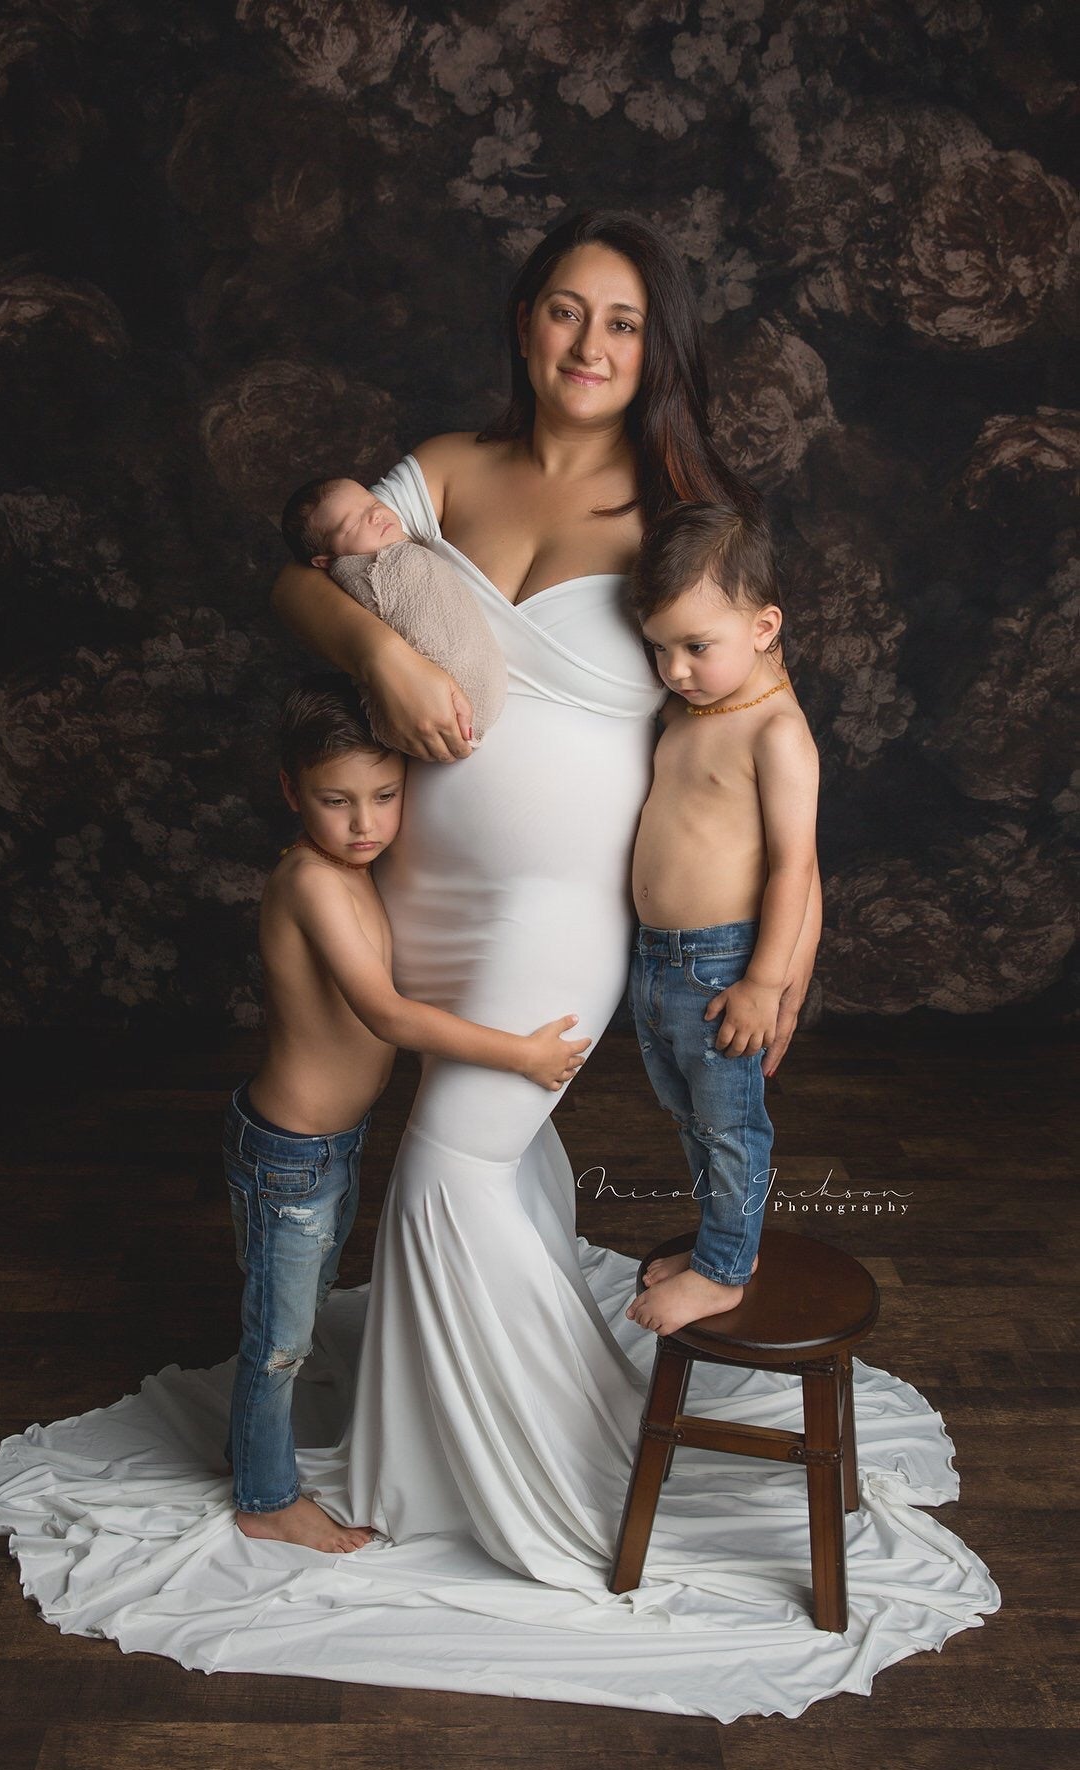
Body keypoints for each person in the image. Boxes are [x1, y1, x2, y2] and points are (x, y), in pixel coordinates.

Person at [271, 210, 822, 1589]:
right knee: (481, 1168)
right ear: (525, 322)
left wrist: (780, 954)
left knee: (445, 1175)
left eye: (623, 322)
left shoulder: (678, 512)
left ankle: (534, 1484)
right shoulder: (446, 467)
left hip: (555, 913)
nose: (590, 343)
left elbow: (768, 719)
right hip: (412, 889)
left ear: (655, 350)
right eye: (567, 309)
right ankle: (464, 1435)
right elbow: (300, 575)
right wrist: (380, 660)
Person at [225, 672, 589, 1552]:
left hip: (334, 1143)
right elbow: (385, 1013)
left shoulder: (360, 864)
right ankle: (265, 1495)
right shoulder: (312, 882)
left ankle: (260, 1437)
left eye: (385, 796)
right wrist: (518, 1053)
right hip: (291, 1151)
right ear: (291, 792)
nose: (365, 823)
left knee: (299, 1306)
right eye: (337, 801)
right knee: (278, 1334)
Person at [622, 503, 820, 1336]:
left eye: (696, 647)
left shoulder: (776, 730)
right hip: (656, 958)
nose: (674, 669)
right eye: (658, 647)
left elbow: (793, 865)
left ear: (764, 627)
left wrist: (765, 983)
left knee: (732, 1126)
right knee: (690, 1117)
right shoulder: (687, 709)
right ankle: (723, 1245)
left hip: (723, 964)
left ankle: (723, 1272)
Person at [279, 475, 507, 744]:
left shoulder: (405, 544)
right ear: (325, 561)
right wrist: (384, 653)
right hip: (435, 718)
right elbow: (288, 588)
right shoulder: (363, 575)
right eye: (353, 523)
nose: (374, 515)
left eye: (373, 503)